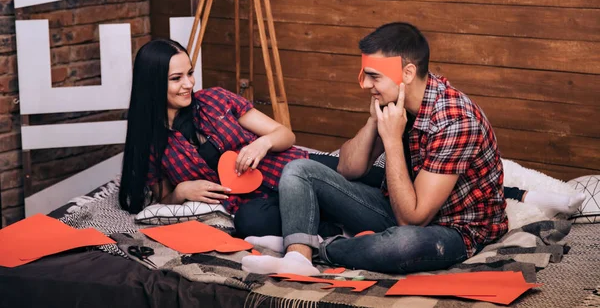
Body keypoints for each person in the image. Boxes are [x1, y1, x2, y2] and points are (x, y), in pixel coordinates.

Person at [241, 22, 584, 275]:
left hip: (454, 229)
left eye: (374, 76)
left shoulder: (454, 119)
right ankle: (298, 257)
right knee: (299, 169)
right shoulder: (392, 101)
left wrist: (392, 141)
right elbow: (348, 170)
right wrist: (376, 122)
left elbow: (413, 220)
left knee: (400, 245)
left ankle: (322, 247)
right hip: (397, 202)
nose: (365, 85)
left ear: (406, 72)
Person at [117, 38, 384, 238]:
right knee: (250, 224)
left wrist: (262, 143)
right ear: (152, 83)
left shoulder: (215, 100)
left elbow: (285, 134)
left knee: (371, 178)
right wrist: (181, 192)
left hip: (292, 167)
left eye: (189, 73)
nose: (189, 84)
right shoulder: (150, 142)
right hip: (255, 204)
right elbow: (162, 198)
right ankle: (334, 227)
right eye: (177, 78)